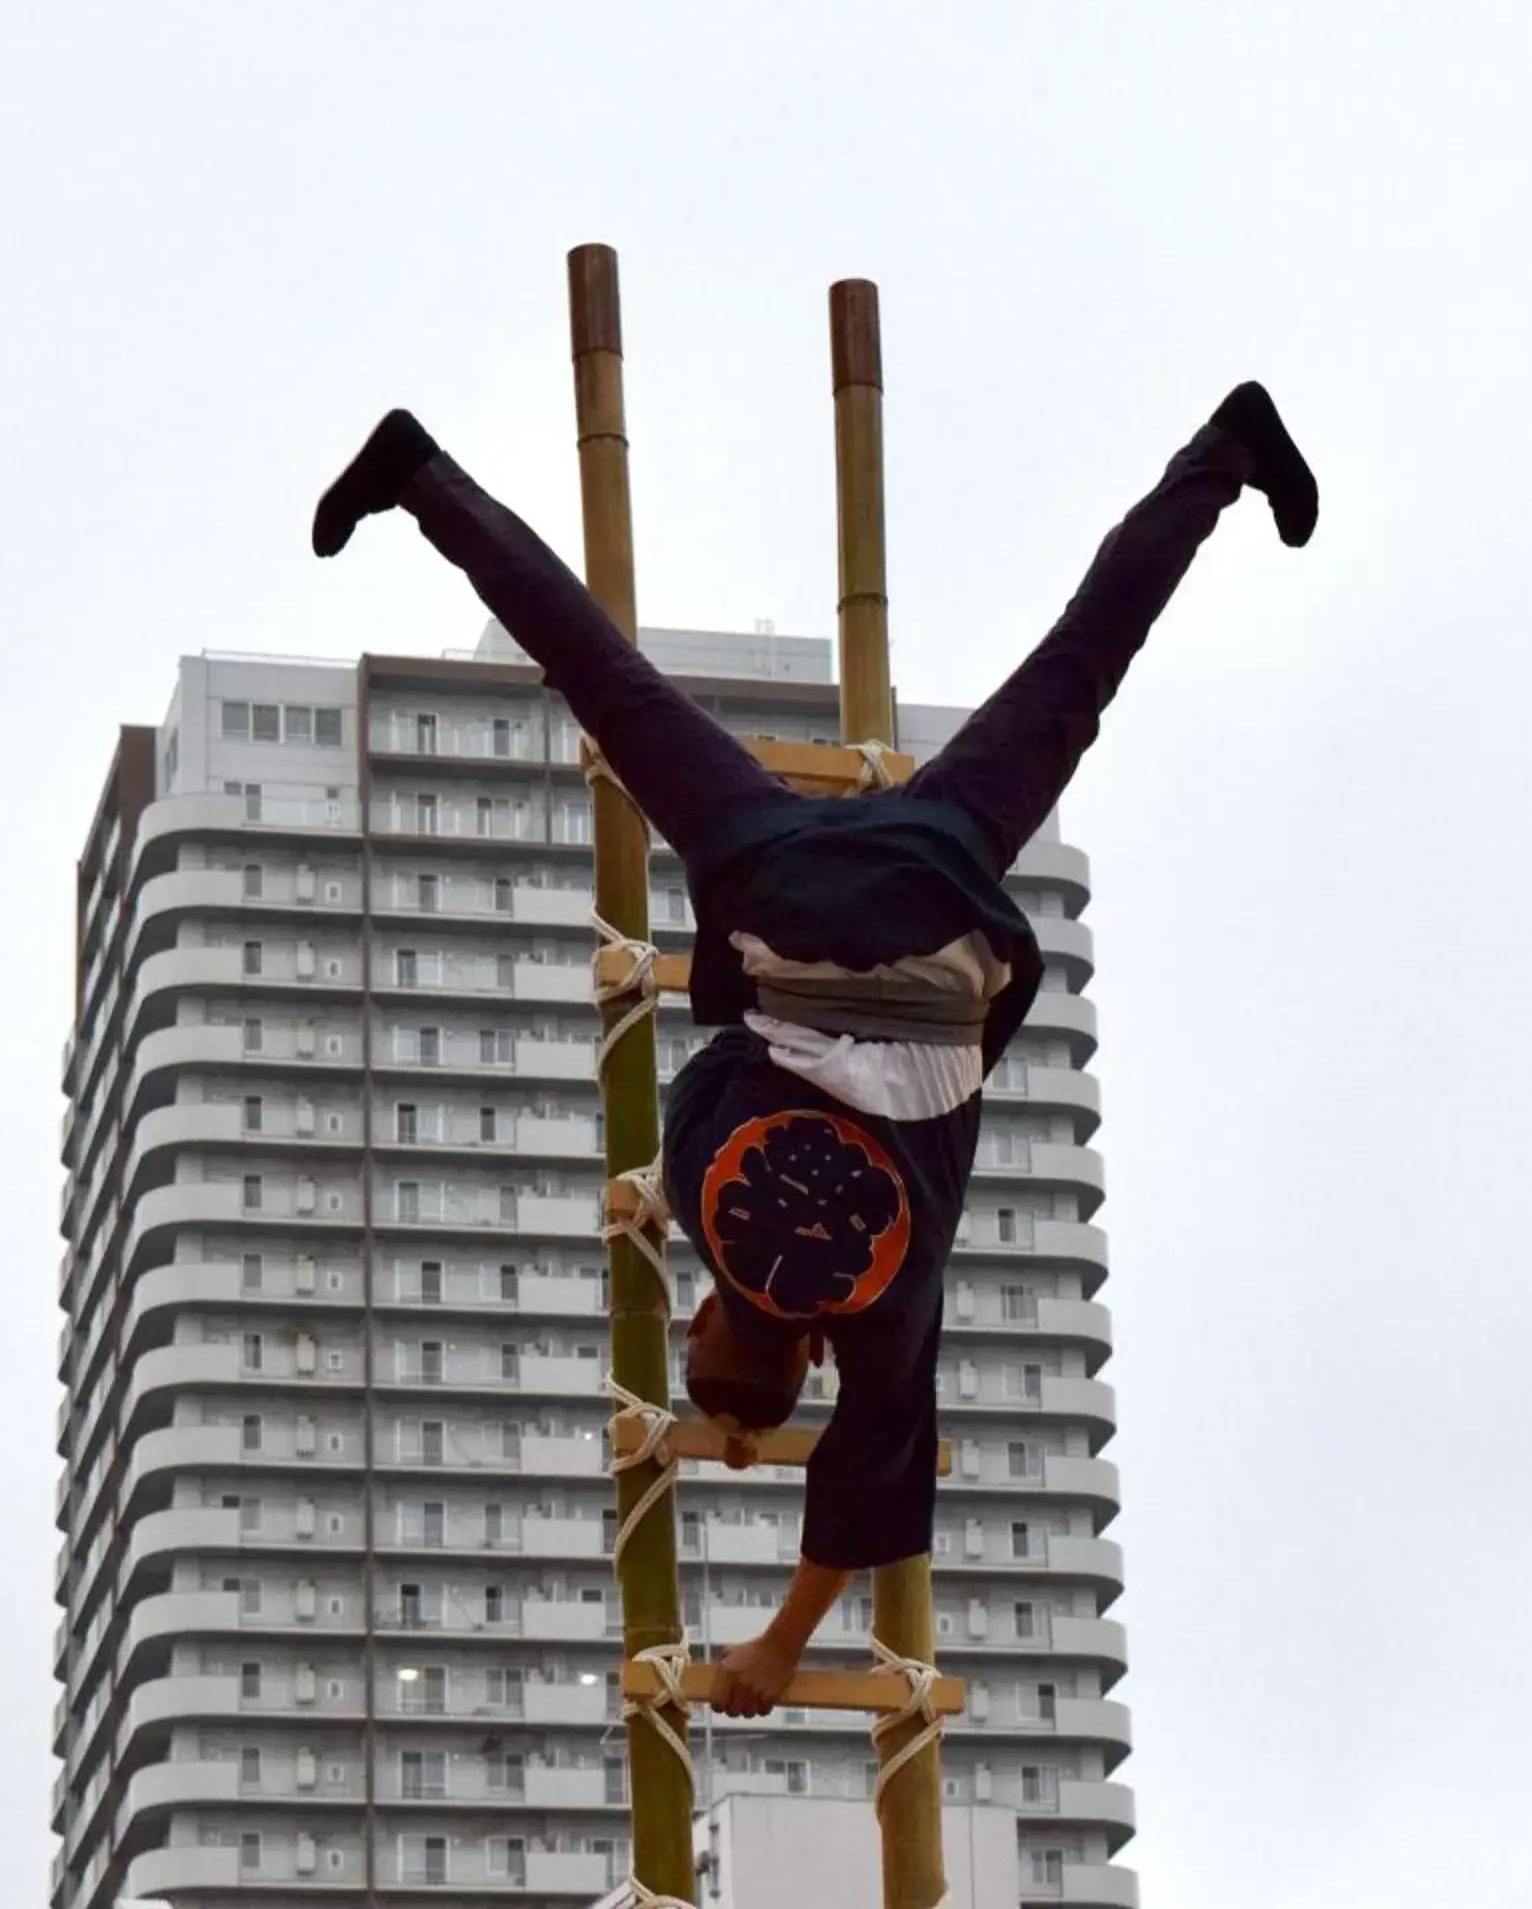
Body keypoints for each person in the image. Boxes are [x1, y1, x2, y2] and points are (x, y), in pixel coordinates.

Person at [312, 382, 1315, 1712]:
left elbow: (855, 1502)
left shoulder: (886, 1306)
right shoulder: (712, 1179)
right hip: (785, 882)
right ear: (711, 1301)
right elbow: (720, 1036)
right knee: (603, 679)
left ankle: (1226, 453)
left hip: (940, 891)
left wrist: (779, 1649)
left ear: (818, 1357)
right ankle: (420, 476)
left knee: (1079, 670)